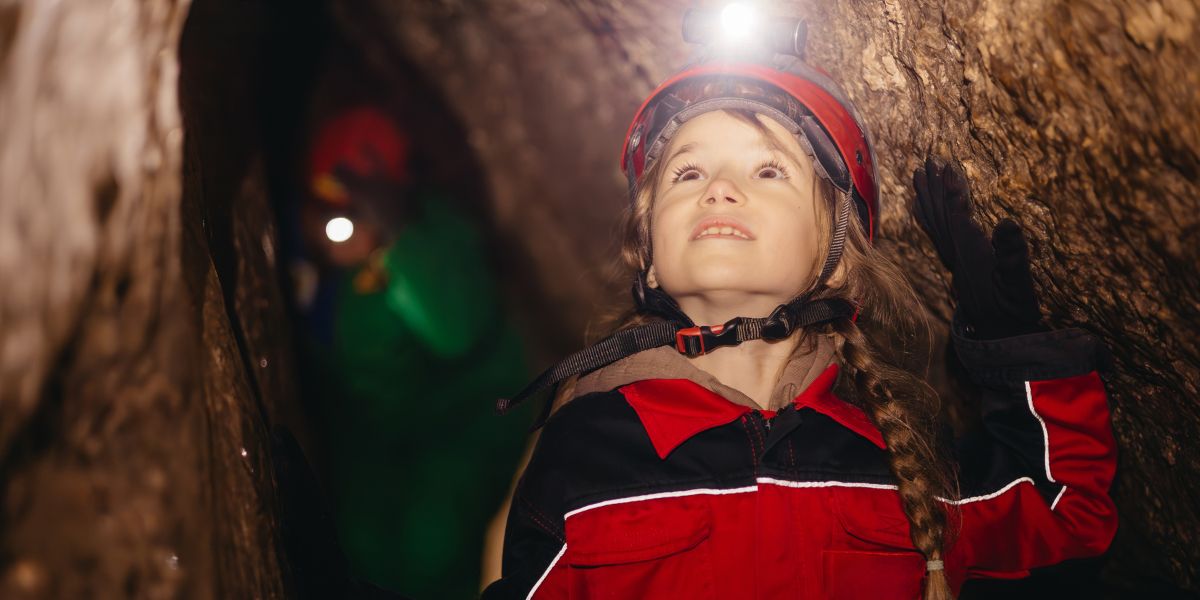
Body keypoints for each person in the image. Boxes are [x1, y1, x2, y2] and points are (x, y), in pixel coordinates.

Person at [482, 17, 1117, 600]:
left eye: (767, 172)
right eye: (686, 174)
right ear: (647, 254)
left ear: (835, 255)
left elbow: (1067, 516)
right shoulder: (585, 449)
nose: (721, 188)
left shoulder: (900, 465)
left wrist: (1011, 351)